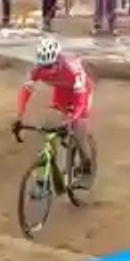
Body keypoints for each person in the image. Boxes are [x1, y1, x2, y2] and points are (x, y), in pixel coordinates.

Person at [14, 37, 96, 176]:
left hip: (81, 91)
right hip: (62, 90)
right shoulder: (37, 69)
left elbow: (81, 102)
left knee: (77, 125)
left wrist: (74, 118)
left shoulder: (72, 68)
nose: (47, 71)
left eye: (50, 66)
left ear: (58, 60)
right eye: (44, 67)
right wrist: (19, 117)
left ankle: (86, 160)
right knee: (50, 124)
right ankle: (51, 162)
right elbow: (25, 92)